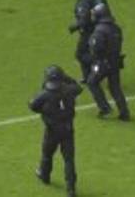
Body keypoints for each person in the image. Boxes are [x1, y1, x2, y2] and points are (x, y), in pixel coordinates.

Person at [30, 65, 81, 197]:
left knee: (47, 154)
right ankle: (71, 189)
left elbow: (33, 105)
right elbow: (78, 86)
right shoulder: (70, 90)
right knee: (69, 159)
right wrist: (66, 77)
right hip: (68, 129)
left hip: (52, 131)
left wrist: (44, 112)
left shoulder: (45, 95)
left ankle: (45, 175)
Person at [85, 3, 130, 121]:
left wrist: (94, 58)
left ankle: (105, 108)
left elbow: (96, 47)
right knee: (115, 87)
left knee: (92, 82)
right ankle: (124, 112)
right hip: (115, 61)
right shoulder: (116, 28)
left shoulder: (99, 31)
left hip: (102, 62)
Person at [68, 0, 108, 83]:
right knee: (92, 51)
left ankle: (101, 65)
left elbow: (84, 19)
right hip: (103, 28)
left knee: (81, 54)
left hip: (90, 31)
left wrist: (74, 27)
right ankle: (87, 76)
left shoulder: (84, 0)